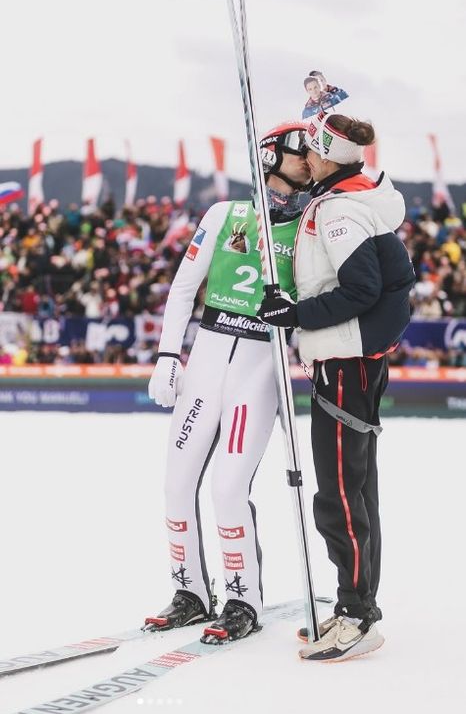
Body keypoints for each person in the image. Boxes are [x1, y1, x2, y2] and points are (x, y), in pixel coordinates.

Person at [145, 122, 311, 644]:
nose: (309, 160)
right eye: (299, 151)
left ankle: (243, 599)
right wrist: (168, 355)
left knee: (228, 487)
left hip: (259, 364)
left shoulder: (310, 223)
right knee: (176, 484)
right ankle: (189, 592)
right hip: (208, 354)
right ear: (270, 157)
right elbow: (181, 289)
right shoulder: (224, 215)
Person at [258, 112, 415, 661]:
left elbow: (360, 289)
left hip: (346, 359)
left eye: (311, 147)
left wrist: (294, 314)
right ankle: (357, 602)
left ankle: (356, 614)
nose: (304, 156)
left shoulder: (340, 210)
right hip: (350, 358)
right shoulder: (351, 194)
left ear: (327, 156)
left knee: (340, 493)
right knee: (356, 488)